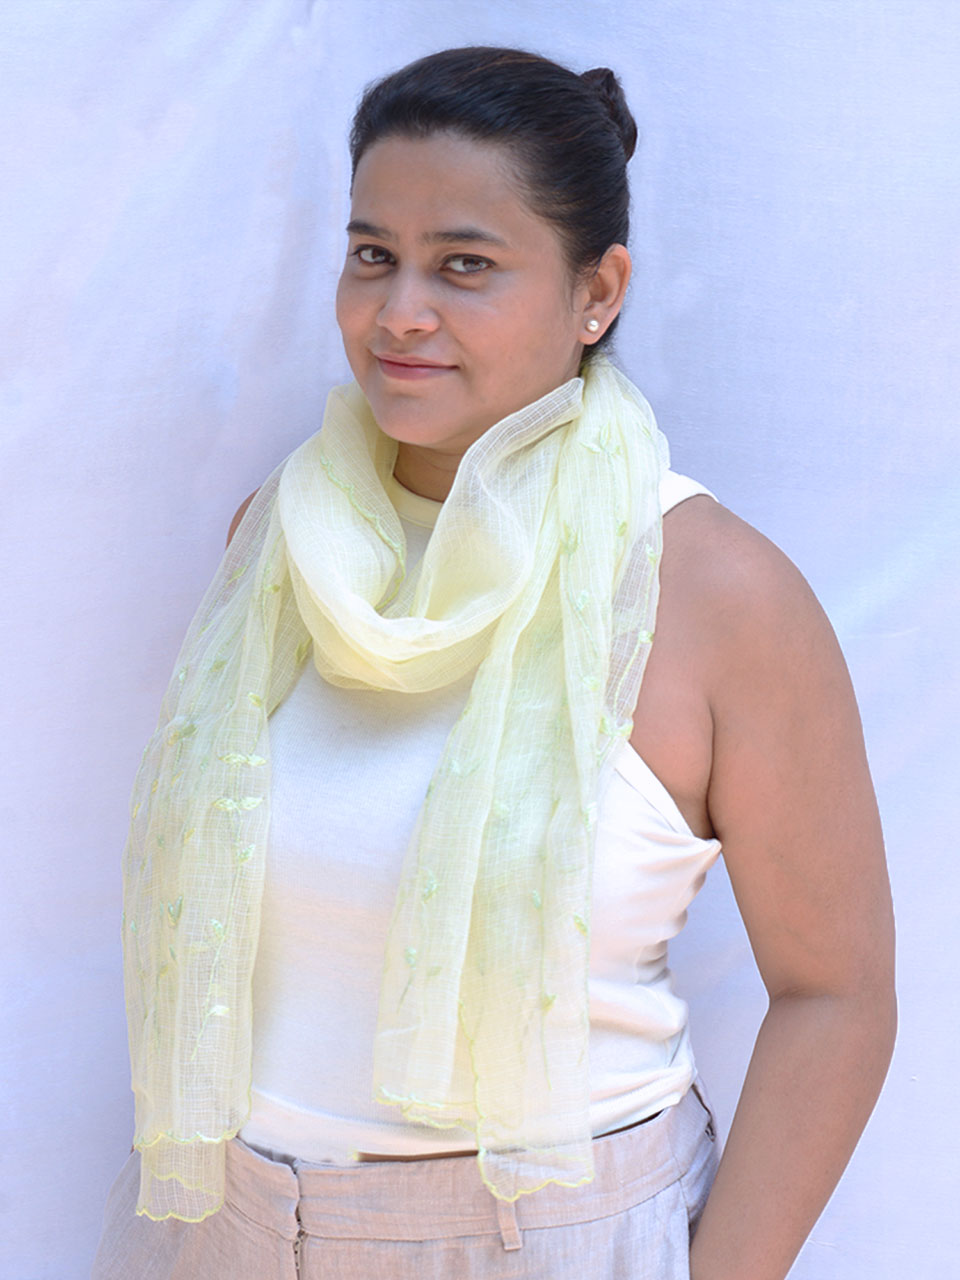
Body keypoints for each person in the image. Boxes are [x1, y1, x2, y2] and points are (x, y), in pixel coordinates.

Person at [93, 45, 896, 1280]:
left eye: (464, 264)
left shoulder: (711, 591)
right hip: (220, 1226)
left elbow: (835, 993)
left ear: (598, 291)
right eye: (373, 254)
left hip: (544, 1240)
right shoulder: (278, 542)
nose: (399, 308)